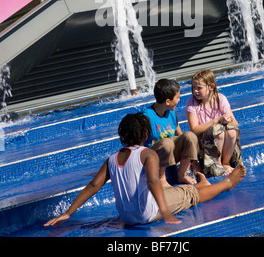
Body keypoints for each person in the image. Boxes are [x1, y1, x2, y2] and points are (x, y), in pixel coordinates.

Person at [44, 113, 246, 227]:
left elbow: (93, 185)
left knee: (168, 191)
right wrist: (165, 212)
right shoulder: (147, 154)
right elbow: (153, 182)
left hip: (127, 216)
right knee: (190, 193)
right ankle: (226, 184)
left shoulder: (112, 159)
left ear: (122, 135)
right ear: (146, 134)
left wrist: (68, 213)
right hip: (147, 213)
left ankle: (199, 186)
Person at [186, 69, 243, 177]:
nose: (195, 91)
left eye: (199, 88)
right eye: (193, 87)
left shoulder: (220, 98)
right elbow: (194, 130)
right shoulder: (191, 103)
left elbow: (235, 122)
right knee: (219, 132)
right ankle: (217, 164)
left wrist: (227, 120)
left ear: (211, 87)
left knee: (231, 131)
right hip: (202, 141)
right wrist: (215, 121)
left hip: (218, 138)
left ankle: (226, 163)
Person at [143, 78, 200, 186]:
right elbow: (141, 143)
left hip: (172, 152)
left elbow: (180, 133)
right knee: (167, 142)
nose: (179, 100)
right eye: (177, 97)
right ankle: (161, 178)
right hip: (156, 155)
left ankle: (181, 174)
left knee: (190, 136)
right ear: (168, 101)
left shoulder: (171, 112)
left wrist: (191, 152)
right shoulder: (147, 117)